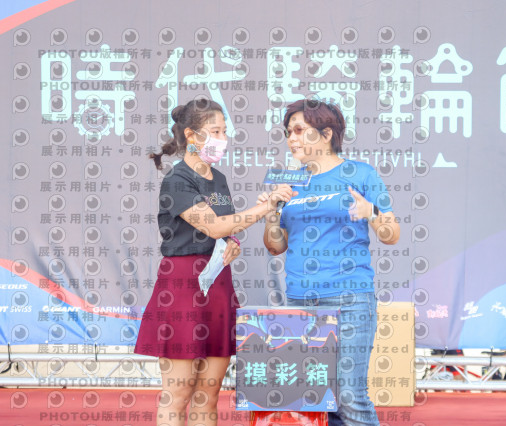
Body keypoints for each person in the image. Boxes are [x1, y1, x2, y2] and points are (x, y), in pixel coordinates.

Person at [135, 98, 294, 426]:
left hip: (218, 284)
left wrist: (232, 244)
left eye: (224, 131)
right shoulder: (177, 180)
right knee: (178, 394)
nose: (223, 138)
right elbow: (214, 225)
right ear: (191, 135)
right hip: (182, 287)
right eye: (215, 131)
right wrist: (264, 207)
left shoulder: (218, 179)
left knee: (208, 395)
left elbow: (225, 228)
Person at [259, 99, 400, 426]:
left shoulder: (361, 173)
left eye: (299, 130)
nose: (291, 139)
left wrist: (371, 213)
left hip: (349, 298)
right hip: (300, 300)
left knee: (349, 395)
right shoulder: (290, 182)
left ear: (326, 134)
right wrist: (271, 214)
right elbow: (276, 246)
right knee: (317, 396)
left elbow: (392, 234)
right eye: (288, 132)